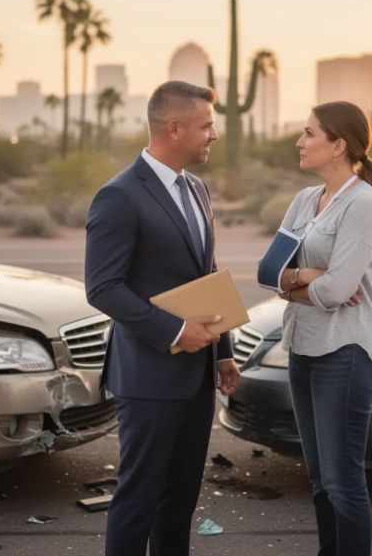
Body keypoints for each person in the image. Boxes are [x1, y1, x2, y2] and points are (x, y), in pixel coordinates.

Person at [84, 80, 242, 556]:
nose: (213, 135)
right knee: (138, 501)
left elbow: (205, 272)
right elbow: (103, 288)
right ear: (174, 128)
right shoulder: (119, 196)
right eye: (206, 125)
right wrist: (174, 330)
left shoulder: (197, 188)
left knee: (179, 505)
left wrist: (222, 352)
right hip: (148, 377)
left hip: (197, 376)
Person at [274, 101, 372, 556]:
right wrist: (309, 278)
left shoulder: (363, 203)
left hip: (345, 354)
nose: (300, 142)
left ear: (338, 145)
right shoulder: (306, 200)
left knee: (343, 483)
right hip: (303, 348)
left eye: (309, 133)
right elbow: (272, 274)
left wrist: (304, 280)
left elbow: (337, 291)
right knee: (320, 481)